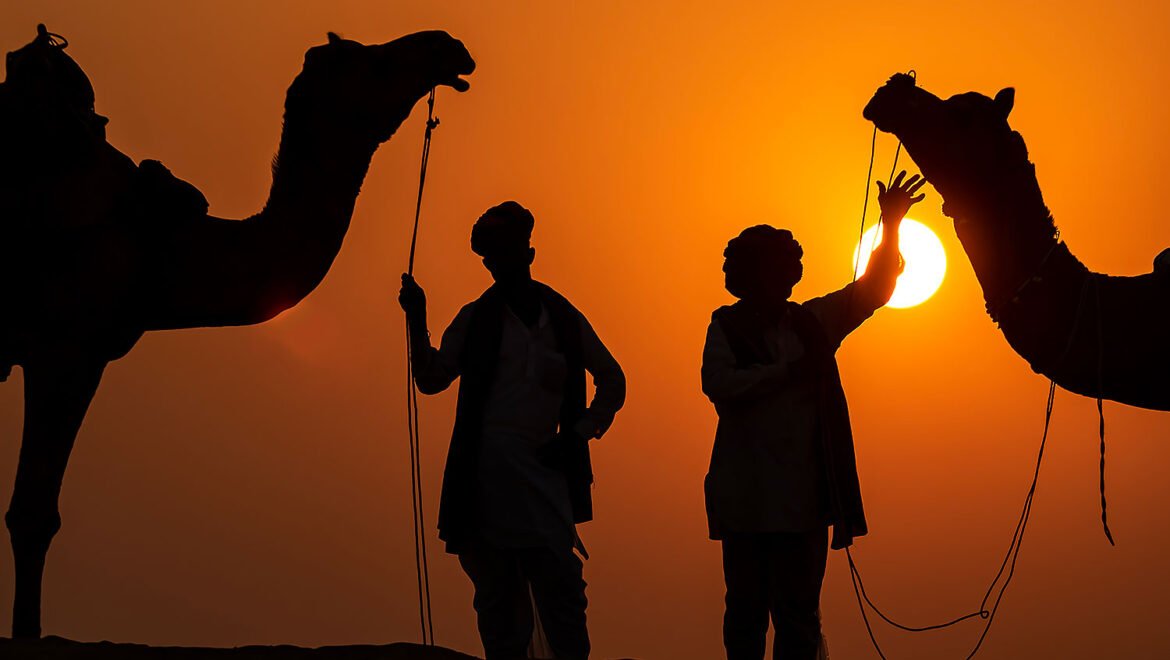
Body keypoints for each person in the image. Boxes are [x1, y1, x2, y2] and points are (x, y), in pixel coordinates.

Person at [701, 172, 926, 660]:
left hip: (802, 502)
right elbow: (718, 385)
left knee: (799, 617)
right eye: (774, 265)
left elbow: (873, 289)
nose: (783, 275)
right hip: (746, 498)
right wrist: (786, 373)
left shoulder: (812, 322)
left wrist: (890, 226)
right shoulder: (726, 326)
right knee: (745, 614)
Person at [398, 201, 626, 660]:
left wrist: (579, 434)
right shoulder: (476, 319)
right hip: (486, 482)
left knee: (563, 601)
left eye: (508, 252)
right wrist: (416, 319)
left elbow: (613, 380)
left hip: (546, 479)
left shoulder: (561, 317)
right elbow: (432, 378)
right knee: (501, 609)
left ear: (529, 254)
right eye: (493, 256)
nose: (500, 264)